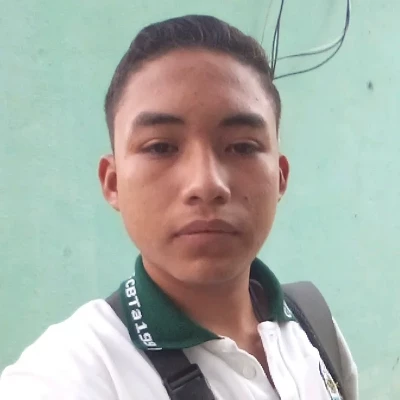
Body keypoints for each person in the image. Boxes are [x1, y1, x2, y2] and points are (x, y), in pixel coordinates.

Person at [0, 15, 358, 400]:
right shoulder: (69, 377)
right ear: (113, 182)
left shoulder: (312, 326)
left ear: (281, 176)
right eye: (160, 147)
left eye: (242, 146)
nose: (206, 184)